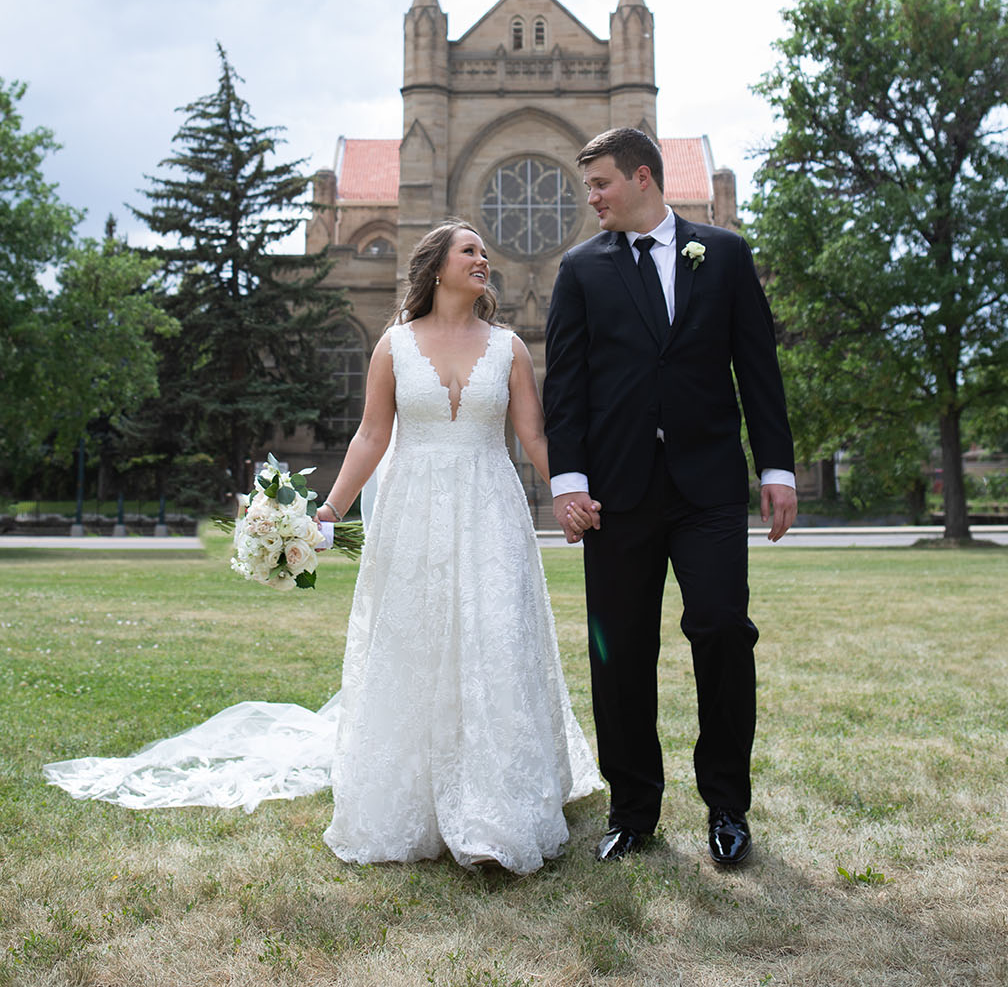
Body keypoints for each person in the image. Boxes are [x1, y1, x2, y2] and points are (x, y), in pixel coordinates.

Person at [45, 221, 601, 873]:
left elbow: (533, 434)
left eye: (485, 250)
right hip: (413, 516)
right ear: (436, 266)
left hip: (492, 510)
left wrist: (568, 491)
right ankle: (420, 798)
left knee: (494, 639)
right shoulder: (393, 346)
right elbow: (370, 436)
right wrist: (329, 512)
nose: (484, 259)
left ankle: (494, 811)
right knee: (417, 644)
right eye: (470, 250)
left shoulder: (510, 348)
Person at [544, 127, 797, 868]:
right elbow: (567, 387)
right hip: (615, 494)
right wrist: (569, 482)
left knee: (722, 629)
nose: (590, 198)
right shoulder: (579, 269)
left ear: (643, 177)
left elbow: (758, 367)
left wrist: (776, 467)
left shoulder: (722, 254)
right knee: (618, 651)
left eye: (599, 184)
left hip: (709, 486)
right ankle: (633, 809)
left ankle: (727, 805)